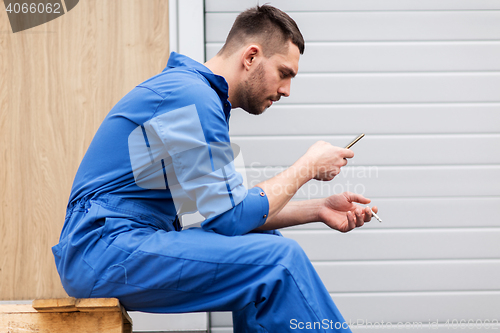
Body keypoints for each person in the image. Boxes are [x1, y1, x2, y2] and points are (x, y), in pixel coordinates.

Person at [53, 5, 378, 332]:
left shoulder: (197, 98)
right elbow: (231, 217)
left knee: (265, 241)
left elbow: (232, 215)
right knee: (279, 260)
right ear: (251, 57)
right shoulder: (191, 96)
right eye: (284, 73)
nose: (286, 91)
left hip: (115, 245)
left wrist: (318, 208)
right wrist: (306, 167)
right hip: (102, 249)